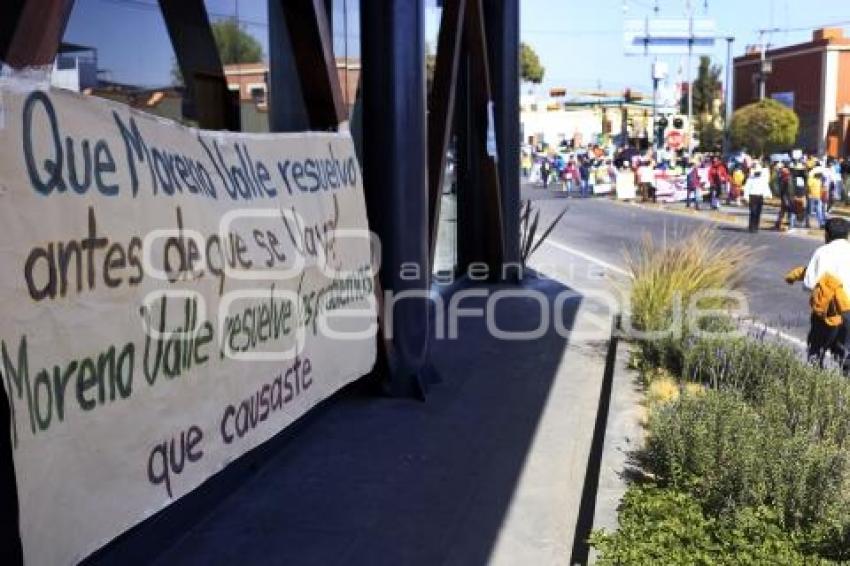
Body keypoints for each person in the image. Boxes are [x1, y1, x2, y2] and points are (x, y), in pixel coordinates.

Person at [786, 218, 850, 370]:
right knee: (847, 357)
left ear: (826, 235)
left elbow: (810, 283)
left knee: (816, 352)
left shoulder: (822, 252)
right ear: (847, 235)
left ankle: (816, 388)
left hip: (827, 311)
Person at [743, 162, 772, 232]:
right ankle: (751, 226)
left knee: (758, 212)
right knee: (753, 212)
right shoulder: (750, 178)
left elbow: (766, 187)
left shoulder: (762, 179)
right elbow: (747, 188)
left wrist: (769, 195)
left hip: (760, 196)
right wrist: (746, 197)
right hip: (752, 196)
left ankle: (756, 226)